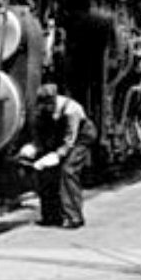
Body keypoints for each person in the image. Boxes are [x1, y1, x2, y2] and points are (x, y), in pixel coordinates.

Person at [17, 83, 95, 228]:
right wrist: (34, 149)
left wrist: (57, 155)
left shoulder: (71, 110)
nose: (45, 108)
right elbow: (39, 136)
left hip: (80, 137)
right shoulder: (41, 112)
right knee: (44, 172)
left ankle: (74, 217)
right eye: (43, 105)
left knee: (68, 171)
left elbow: (70, 140)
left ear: (54, 101)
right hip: (58, 138)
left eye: (48, 104)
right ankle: (50, 215)